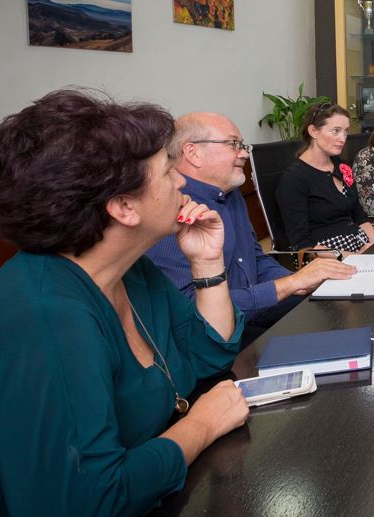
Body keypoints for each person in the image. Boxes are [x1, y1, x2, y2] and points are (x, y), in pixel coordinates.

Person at [0, 90, 250, 517]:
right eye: (167, 170)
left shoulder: (129, 272)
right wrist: (200, 426)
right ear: (123, 207)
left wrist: (207, 262)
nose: (182, 179)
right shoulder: (42, 322)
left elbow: (208, 355)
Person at [147, 112, 358, 345]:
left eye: (242, 145)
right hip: (214, 334)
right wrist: (288, 285)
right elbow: (192, 311)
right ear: (193, 152)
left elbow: (256, 258)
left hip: (254, 307)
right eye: (233, 144)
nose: (244, 154)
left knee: (340, 307)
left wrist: (297, 281)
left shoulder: (230, 192)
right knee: (324, 340)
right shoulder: (172, 207)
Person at [277, 102, 374, 253]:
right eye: (336, 131)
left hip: (360, 246)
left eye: (345, 132)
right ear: (313, 131)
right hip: (325, 256)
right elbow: (302, 244)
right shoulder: (294, 178)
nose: (343, 138)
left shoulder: (341, 166)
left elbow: (359, 216)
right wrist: (350, 256)